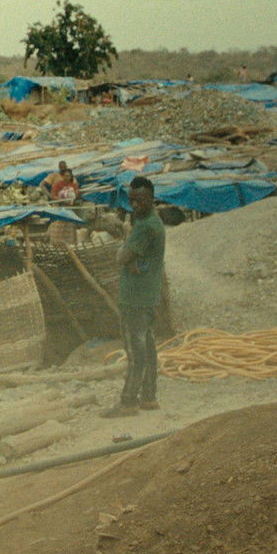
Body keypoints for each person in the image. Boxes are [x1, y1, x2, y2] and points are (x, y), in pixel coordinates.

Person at [102, 176, 166, 418]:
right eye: (131, 200)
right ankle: (149, 397)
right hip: (147, 295)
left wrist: (125, 252)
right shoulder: (151, 221)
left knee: (135, 351)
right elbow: (131, 258)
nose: (135, 204)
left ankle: (129, 402)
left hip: (136, 298)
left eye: (140, 200)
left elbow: (121, 257)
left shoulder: (146, 226)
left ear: (151, 198)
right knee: (148, 348)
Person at [48, 169, 80, 245]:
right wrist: (61, 199)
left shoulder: (73, 185)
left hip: (69, 209)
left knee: (69, 226)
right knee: (59, 227)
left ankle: (70, 244)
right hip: (60, 209)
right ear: (62, 176)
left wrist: (72, 197)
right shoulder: (58, 184)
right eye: (65, 176)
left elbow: (76, 194)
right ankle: (56, 244)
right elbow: (53, 195)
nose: (67, 177)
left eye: (69, 176)